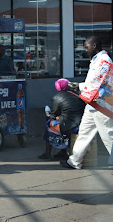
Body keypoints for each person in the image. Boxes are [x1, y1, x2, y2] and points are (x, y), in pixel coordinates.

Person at [61, 36, 113, 170]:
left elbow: (96, 83)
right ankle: (74, 161)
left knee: (108, 135)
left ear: (94, 45)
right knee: (84, 132)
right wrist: (75, 85)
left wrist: (77, 86)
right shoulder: (96, 60)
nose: (85, 50)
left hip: (100, 104)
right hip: (92, 104)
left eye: (86, 47)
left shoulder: (104, 61)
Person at [38, 79, 85, 160]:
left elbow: (53, 115)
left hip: (68, 125)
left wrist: (51, 117)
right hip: (80, 124)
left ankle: (47, 153)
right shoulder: (77, 95)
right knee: (60, 123)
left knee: (50, 125)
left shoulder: (57, 97)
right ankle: (62, 152)